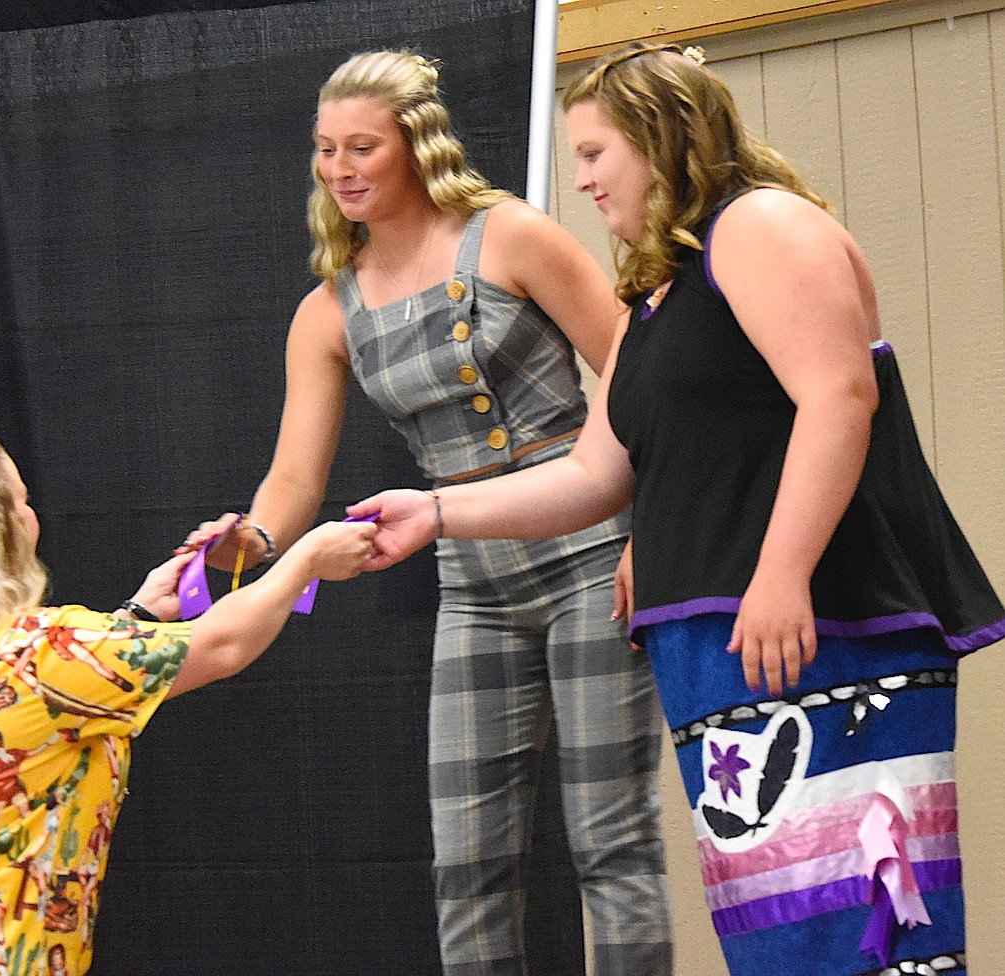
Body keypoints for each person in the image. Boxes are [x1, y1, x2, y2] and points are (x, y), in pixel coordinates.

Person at [348, 42, 1005, 976]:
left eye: (593, 154)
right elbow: (593, 477)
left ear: (659, 140)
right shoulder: (658, 293)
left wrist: (780, 574)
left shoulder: (763, 225)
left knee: (864, 921)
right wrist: (439, 512)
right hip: (718, 652)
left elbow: (838, 398)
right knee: (780, 932)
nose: (581, 183)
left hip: (827, 628)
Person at [183, 49, 672, 976]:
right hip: (475, 585)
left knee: (610, 840)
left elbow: (636, 372)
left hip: (587, 550)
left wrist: (646, 531)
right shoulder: (327, 311)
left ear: (415, 145)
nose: (341, 168)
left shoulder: (512, 237)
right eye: (327, 150)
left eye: (362, 146)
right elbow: (293, 482)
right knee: (468, 860)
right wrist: (247, 542)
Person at [0, 416, 377, 975]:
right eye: (21, 502)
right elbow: (224, 644)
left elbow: (39, 713)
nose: (31, 516)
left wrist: (136, 618)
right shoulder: (41, 655)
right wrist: (306, 561)